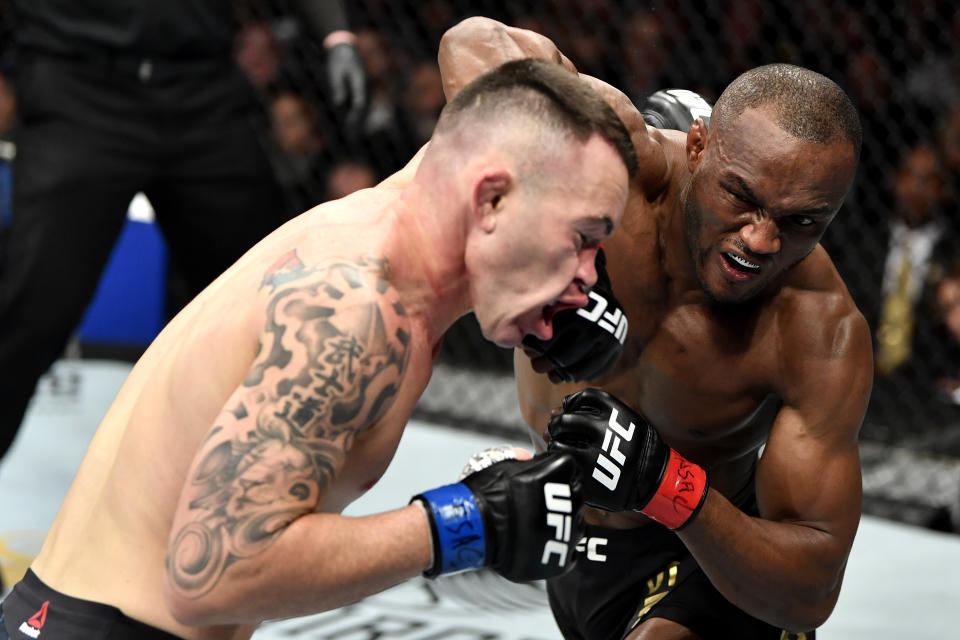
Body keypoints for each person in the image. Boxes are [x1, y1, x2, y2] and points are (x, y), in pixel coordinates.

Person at [0, 58, 638, 639]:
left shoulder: (422, 193)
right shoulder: (356, 313)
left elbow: (475, 44)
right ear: (493, 198)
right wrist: (470, 522)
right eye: (583, 237)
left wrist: (547, 291)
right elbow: (208, 579)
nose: (588, 275)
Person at [439, 17, 870, 640]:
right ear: (697, 147)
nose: (761, 239)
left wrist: (667, 484)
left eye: (802, 221)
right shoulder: (619, 166)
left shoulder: (817, 329)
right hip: (573, 545)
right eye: (741, 196)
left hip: (707, 556)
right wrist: (543, 273)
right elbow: (472, 41)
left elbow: (809, 590)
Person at [0, 0, 369, 471]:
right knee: (33, 308)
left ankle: (244, 486)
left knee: (255, 306)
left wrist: (337, 35)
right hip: (80, 87)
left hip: (201, 89)